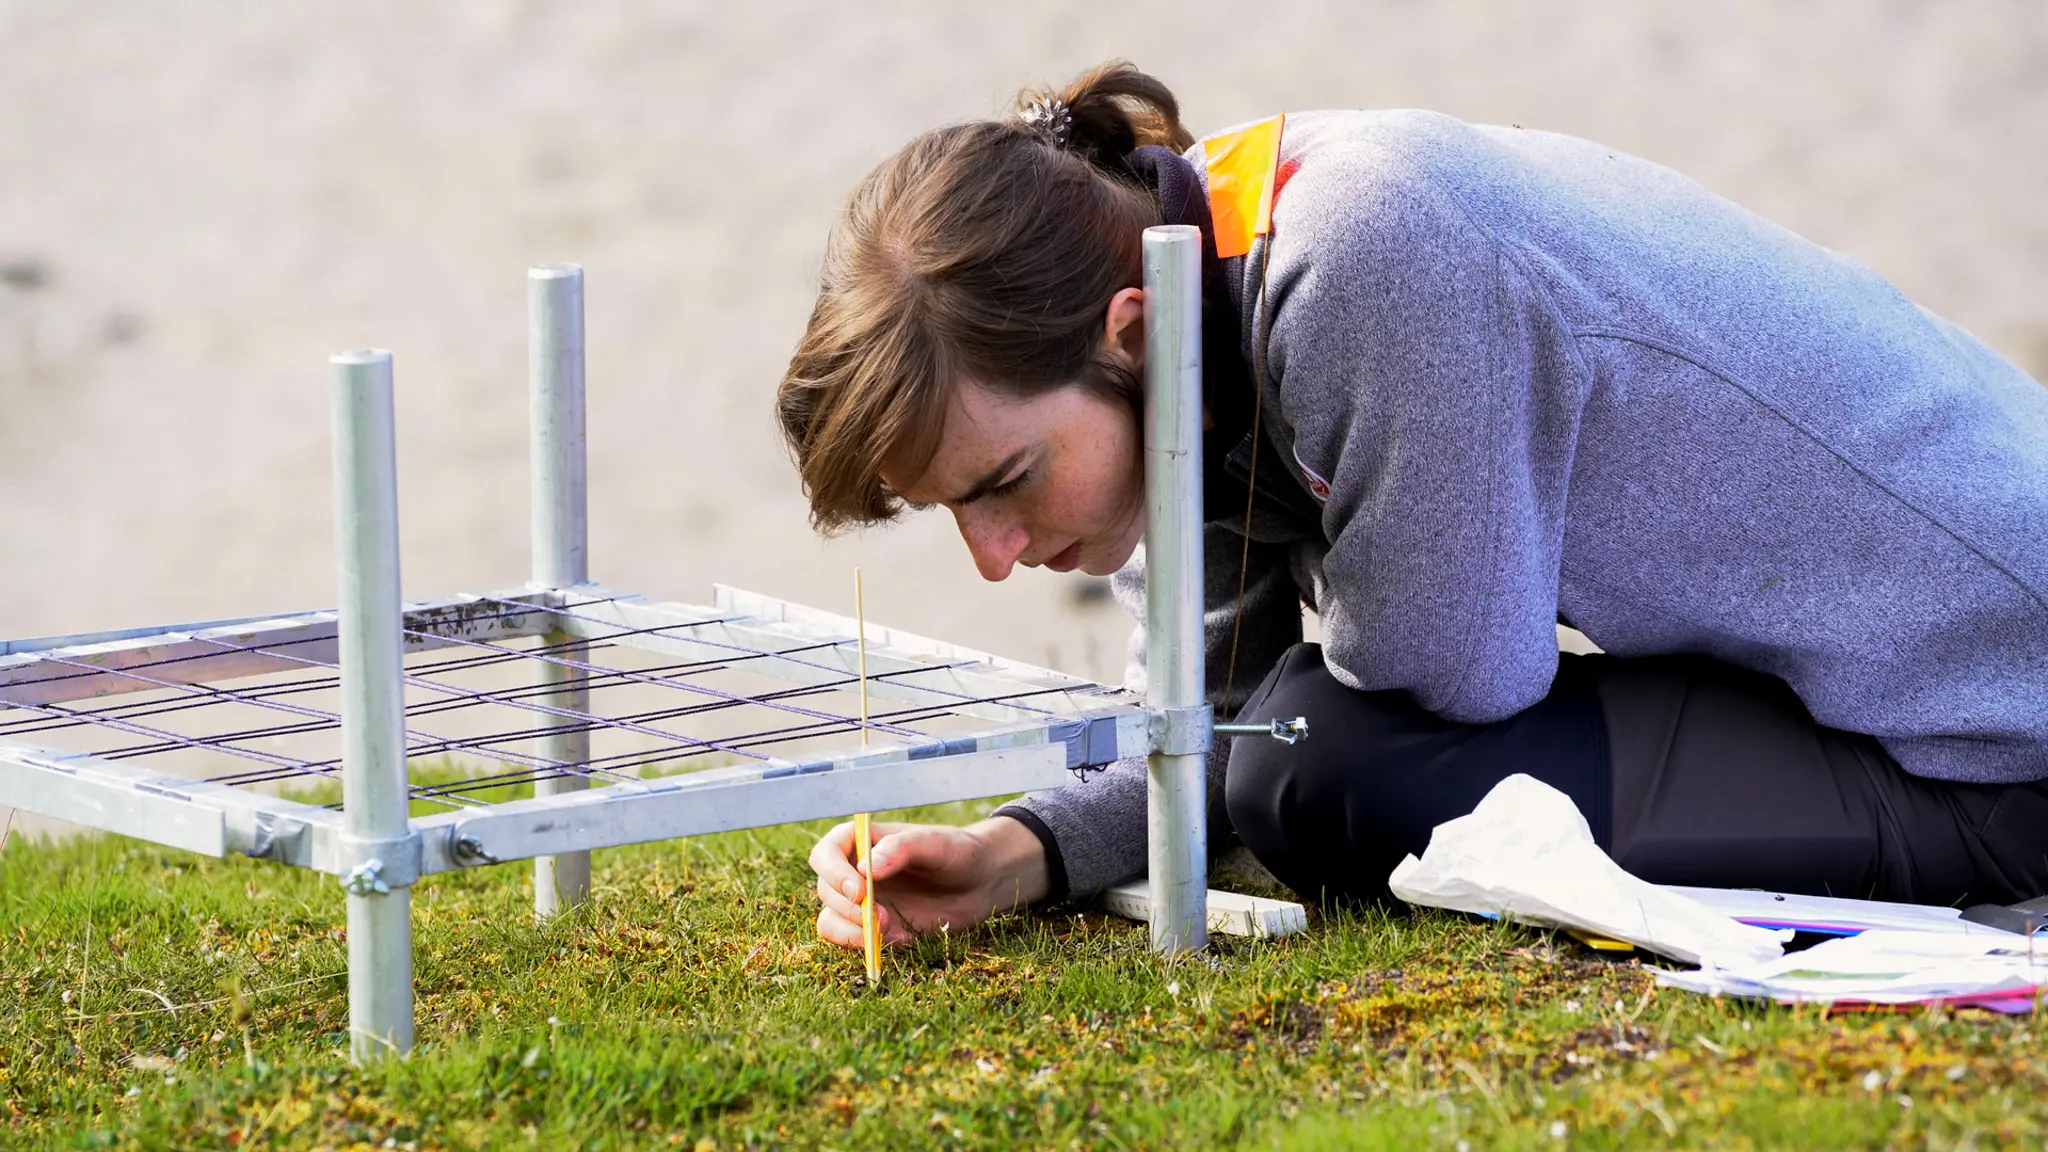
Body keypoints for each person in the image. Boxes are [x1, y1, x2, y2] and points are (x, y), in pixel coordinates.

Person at [774, 61, 2048, 952]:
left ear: (1130, 334)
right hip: (1891, 688)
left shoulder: (1365, 253)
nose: (995, 558)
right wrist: (1025, 851)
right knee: (1287, 742)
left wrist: (1257, 682)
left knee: (1320, 768)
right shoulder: (1201, 257)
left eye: (1002, 484)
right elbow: (1212, 694)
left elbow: (1448, 681)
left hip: (1991, 740)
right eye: (953, 513)